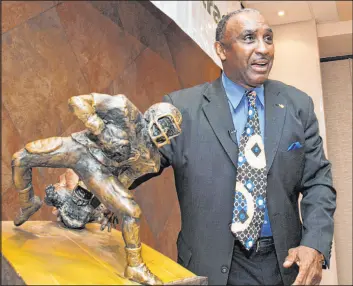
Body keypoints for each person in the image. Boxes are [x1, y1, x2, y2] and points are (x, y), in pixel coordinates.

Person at [128, 8, 336, 286]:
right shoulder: (182, 109)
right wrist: (86, 188)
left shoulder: (297, 105)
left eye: (269, 38)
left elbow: (318, 181)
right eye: (249, 38)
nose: (263, 49)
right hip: (210, 267)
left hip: (284, 266)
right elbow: (137, 161)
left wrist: (315, 243)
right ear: (221, 49)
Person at [11, 92, 182, 285]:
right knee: (21, 159)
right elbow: (77, 102)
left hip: (99, 173)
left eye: (171, 131)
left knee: (132, 212)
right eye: (165, 124)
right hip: (79, 149)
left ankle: (135, 267)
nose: (164, 132)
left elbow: (126, 176)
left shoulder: (151, 159)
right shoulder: (124, 109)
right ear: (153, 116)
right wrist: (98, 127)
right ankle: (28, 203)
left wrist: (110, 203)